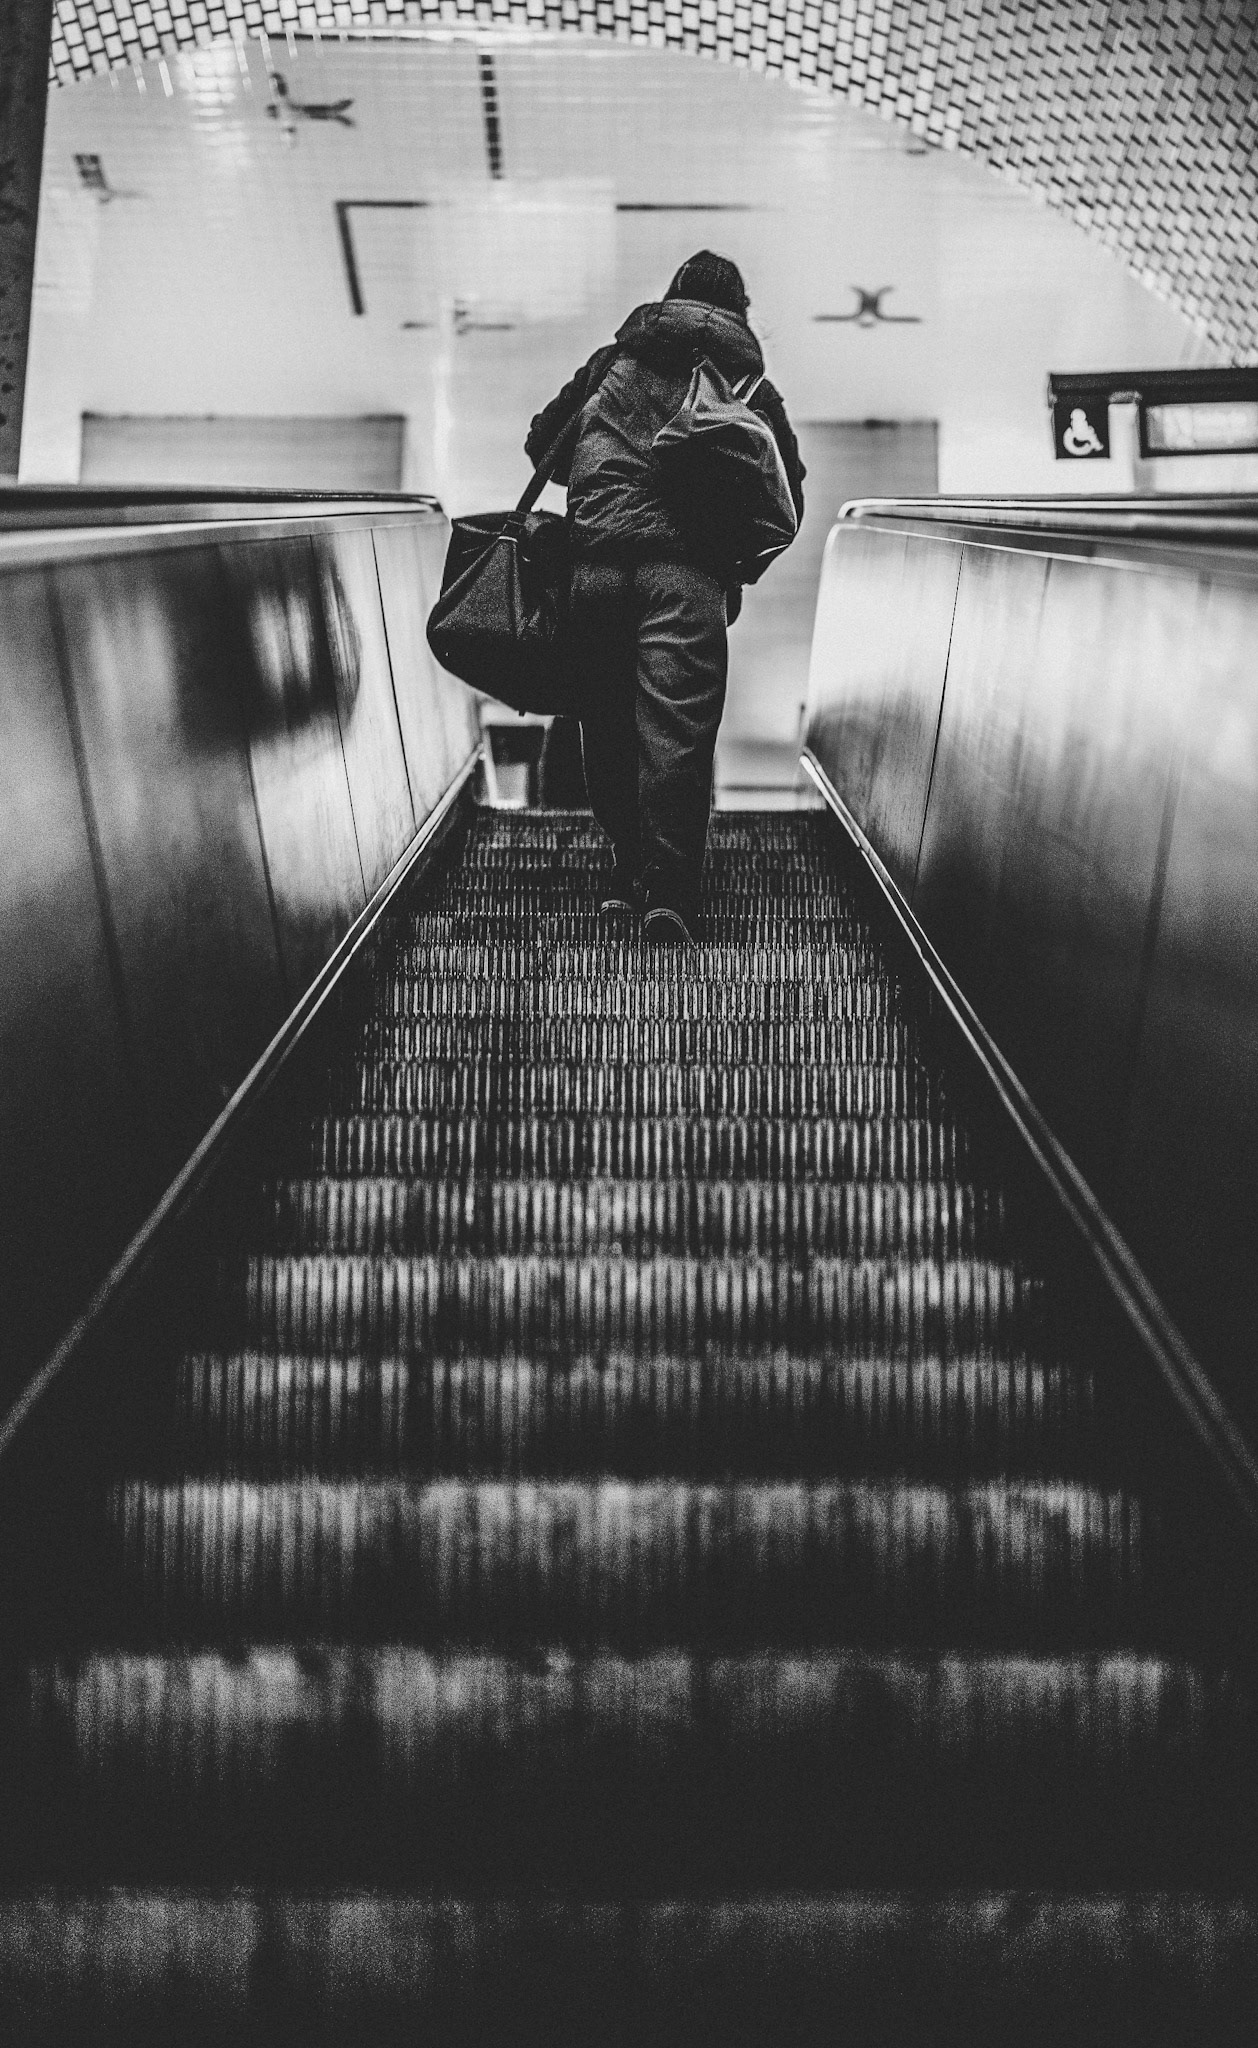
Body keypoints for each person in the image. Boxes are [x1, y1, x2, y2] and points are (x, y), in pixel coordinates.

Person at [525, 252, 805, 943]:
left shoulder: (612, 362)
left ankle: (626, 871)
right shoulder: (749, 386)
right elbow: (786, 496)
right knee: (676, 737)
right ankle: (669, 896)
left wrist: (609, 458)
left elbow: (542, 445)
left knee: (607, 726)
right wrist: (731, 559)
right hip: (686, 579)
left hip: (595, 570)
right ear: (740, 310)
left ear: (671, 297)